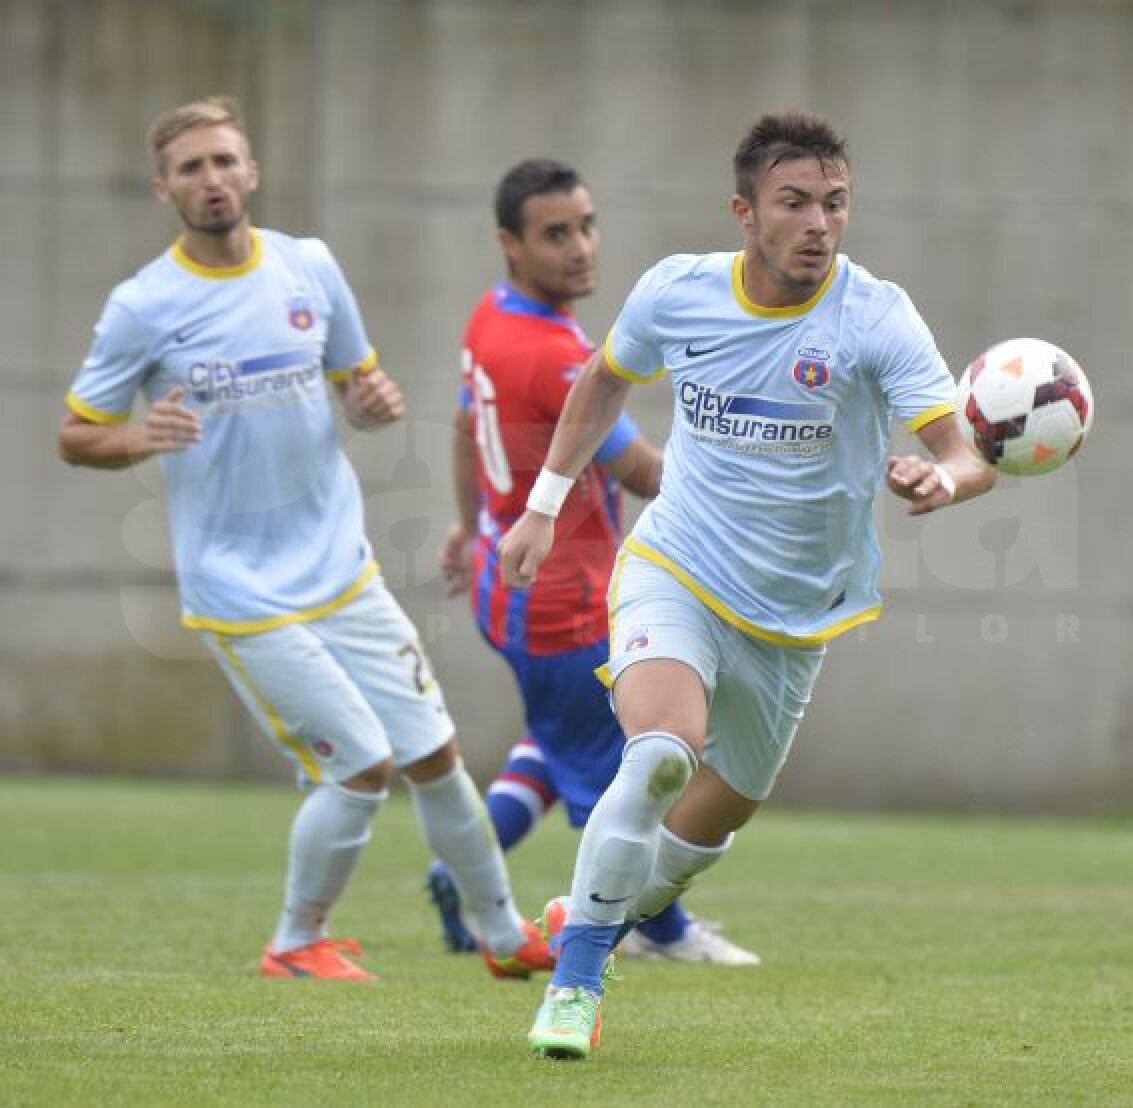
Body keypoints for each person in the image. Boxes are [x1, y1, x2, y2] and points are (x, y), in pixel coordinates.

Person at [500, 112, 996, 1058]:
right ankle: (574, 989)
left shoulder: (875, 315)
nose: (820, 223)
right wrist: (544, 505)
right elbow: (604, 380)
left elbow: (963, 448)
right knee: (660, 754)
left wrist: (947, 479)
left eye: (835, 203)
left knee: (701, 831)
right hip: (675, 566)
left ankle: (587, 919)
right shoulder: (676, 294)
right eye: (795, 202)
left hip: (796, 615)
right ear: (745, 211)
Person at [57, 96, 552, 983]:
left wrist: (372, 404)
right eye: (191, 168)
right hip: (242, 591)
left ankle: (504, 935)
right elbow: (75, 432)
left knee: (435, 756)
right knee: (360, 766)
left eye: (224, 162)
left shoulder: (308, 267)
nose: (211, 180)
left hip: (343, 571)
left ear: (251, 171)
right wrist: (138, 437)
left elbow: (359, 382)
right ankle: (294, 942)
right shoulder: (144, 305)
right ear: (162, 188)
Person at [428, 157, 760, 966]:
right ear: (510, 244)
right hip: (559, 601)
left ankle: (457, 871)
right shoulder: (552, 355)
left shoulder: (490, 317)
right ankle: (660, 929)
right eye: (556, 234)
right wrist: (749, 458)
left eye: (587, 225)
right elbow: (644, 472)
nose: (581, 247)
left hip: (502, 579)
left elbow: (462, 423)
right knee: (631, 766)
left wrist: (470, 523)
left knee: (553, 741)